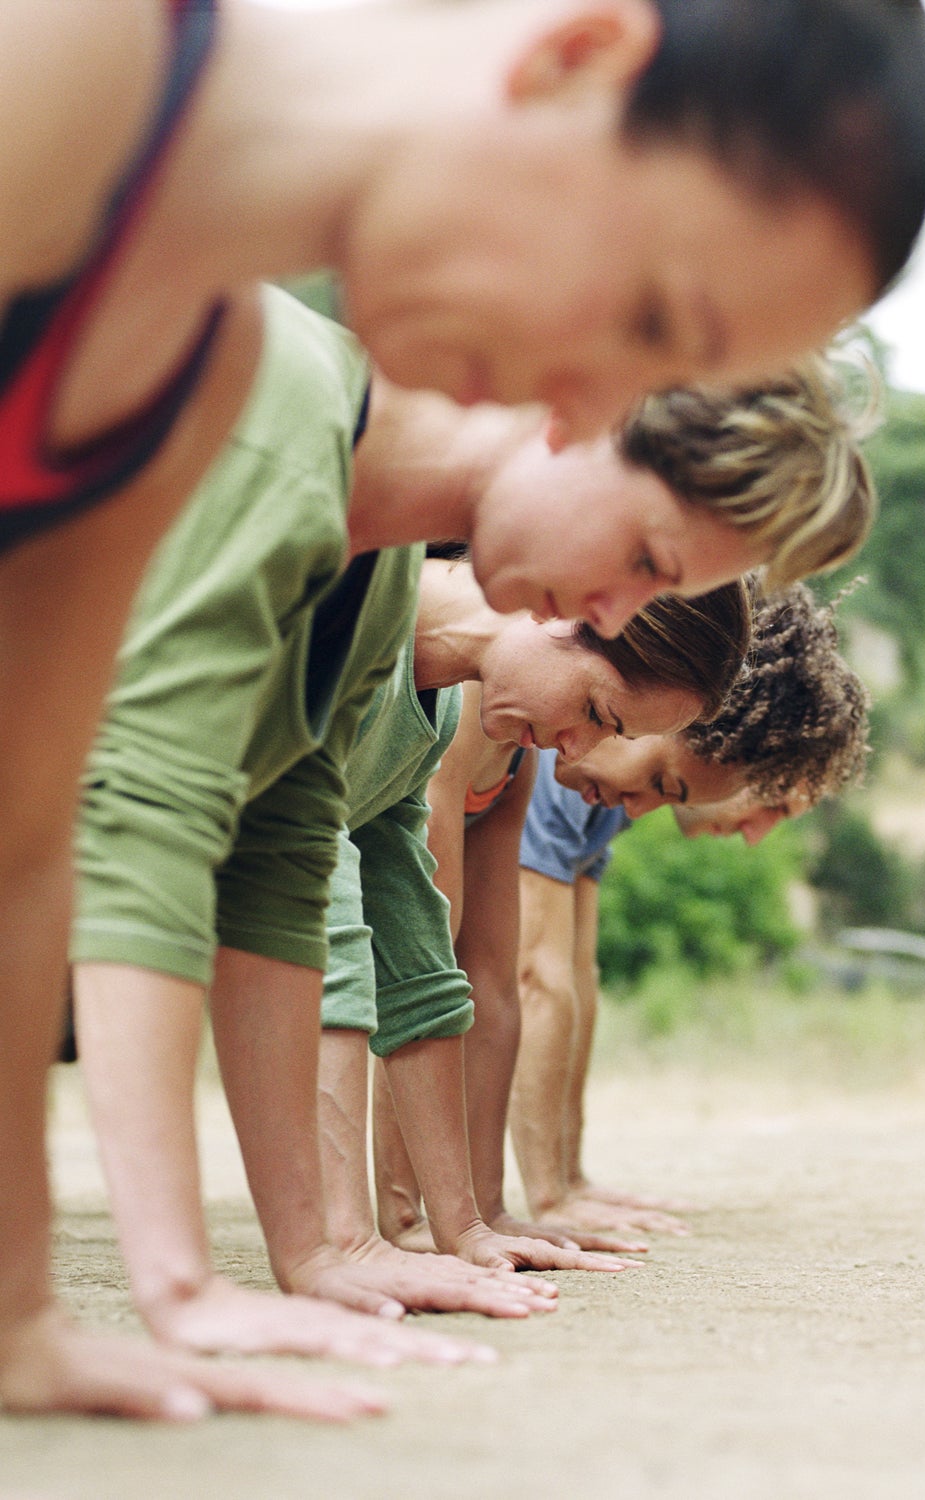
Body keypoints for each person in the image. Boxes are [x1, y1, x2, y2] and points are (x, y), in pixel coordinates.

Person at [0, 0, 925, 1417]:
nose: (580, 401)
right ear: (575, 59)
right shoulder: (72, 59)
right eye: (646, 315)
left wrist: (33, 1321)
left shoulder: (200, 377)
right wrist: (188, 1279)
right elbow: (146, 820)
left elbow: (41, 835)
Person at [65, 285, 761, 1391]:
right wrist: (189, 1283)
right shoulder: (298, 434)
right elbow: (152, 828)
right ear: (575, 415)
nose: (610, 609)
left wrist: (332, 1248)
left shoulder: (382, 581)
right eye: (635, 563)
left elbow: (300, 870)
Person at [317, 557, 749, 1286]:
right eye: (599, 713)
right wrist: (349, 1242)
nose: (575, 749)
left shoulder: (438, 710)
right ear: (571, 609)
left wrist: (465, 1226)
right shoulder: (341, 614)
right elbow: (323, 935)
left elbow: (416, 961)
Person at [510, 584, 869, 1239]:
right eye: (774, 807)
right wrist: (548, 1202)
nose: (759, 834)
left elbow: (578, 980)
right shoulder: (568, 768)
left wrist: (571, 1182)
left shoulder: (605, 802)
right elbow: (536, 983)